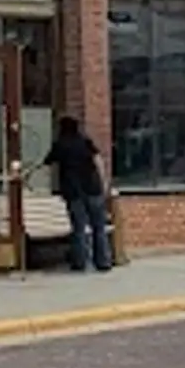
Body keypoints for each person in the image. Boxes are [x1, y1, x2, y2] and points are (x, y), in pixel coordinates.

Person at [47, 114, 116, 273]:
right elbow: (98, 161)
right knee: (99, 227)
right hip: (93, 188)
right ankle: (103, 262)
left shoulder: (60, 144)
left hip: (74, 192)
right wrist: (104, 183)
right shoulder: (85, 142)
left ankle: (80, 262)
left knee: (79, 228)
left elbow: (48, 162)